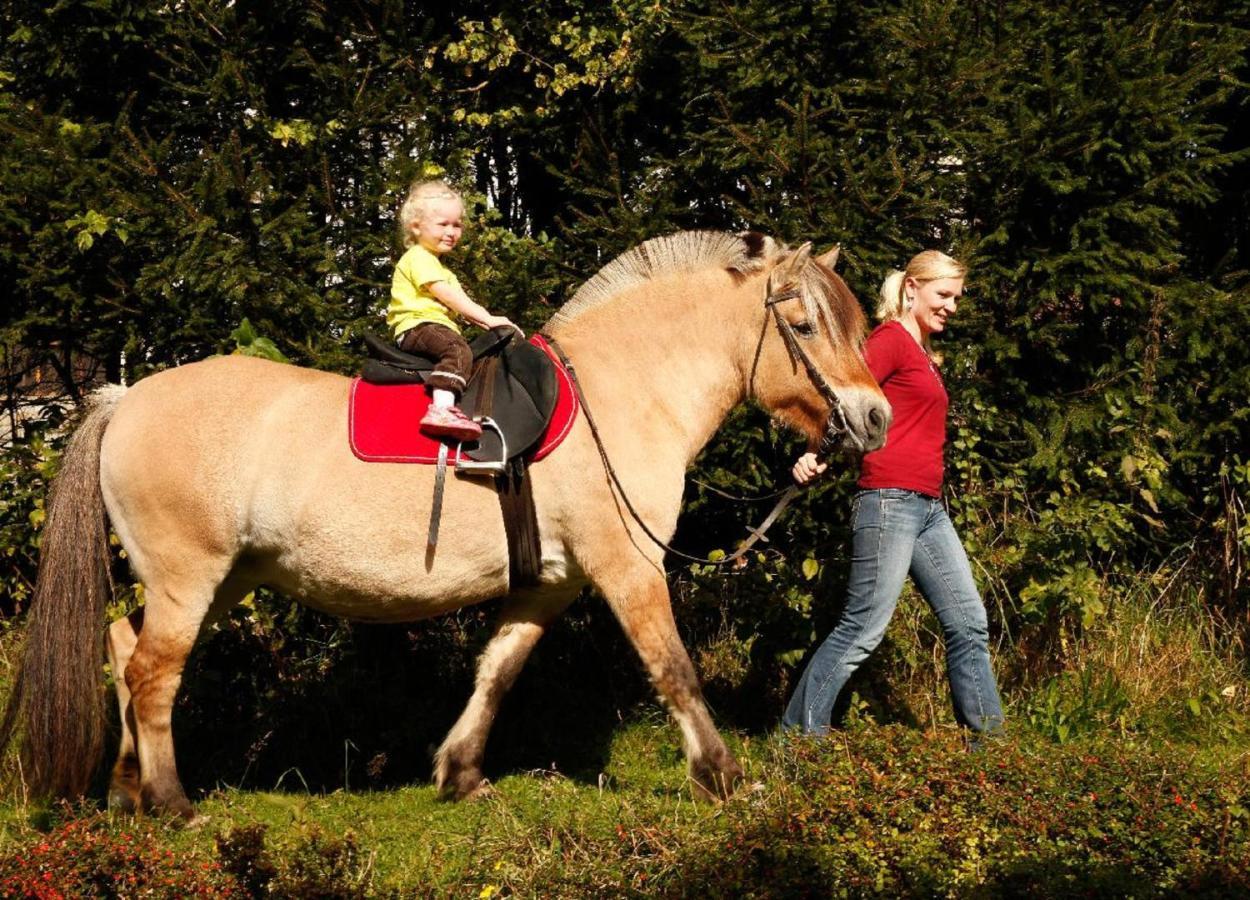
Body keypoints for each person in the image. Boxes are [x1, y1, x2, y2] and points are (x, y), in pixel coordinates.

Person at [782, 250, 1004, 736]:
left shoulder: (923, 353)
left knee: (969, 623)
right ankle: (797, 743)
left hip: (927, 507)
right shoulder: (891, 342)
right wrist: (815, 450)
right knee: (862, 629)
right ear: (911, 288)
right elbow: (842, 397)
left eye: (956, 298)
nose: (951, 306)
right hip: (889, 500)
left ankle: (992, 751)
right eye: (943, 295)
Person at [387, 180, 521, 442]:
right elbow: (450, 298)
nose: (451, 231)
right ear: (416, 227)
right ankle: (441, 410)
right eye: (443, 224)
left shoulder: (442, 268)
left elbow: (463, 305)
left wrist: (492, 326)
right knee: (457, 351)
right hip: (417, 326)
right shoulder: (418, 258)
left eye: (457, 224)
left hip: (432, 326)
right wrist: (490, 319)